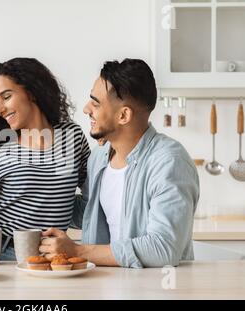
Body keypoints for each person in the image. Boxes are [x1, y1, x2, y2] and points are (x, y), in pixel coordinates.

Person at [39, 59, 199, 268]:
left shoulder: (169, 162)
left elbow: (163, 248)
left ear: (123, 115)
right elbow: (89, 213)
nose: (87, 109)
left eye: (96, 103)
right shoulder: (99, 157)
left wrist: (77, 250)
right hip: (110, 283)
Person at [0, 57, 90, 261]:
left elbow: (90, 199)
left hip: (53, 257)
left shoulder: (72, 137)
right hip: (2, 256)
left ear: (31, 91)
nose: (0, 109)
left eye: (6, 97)